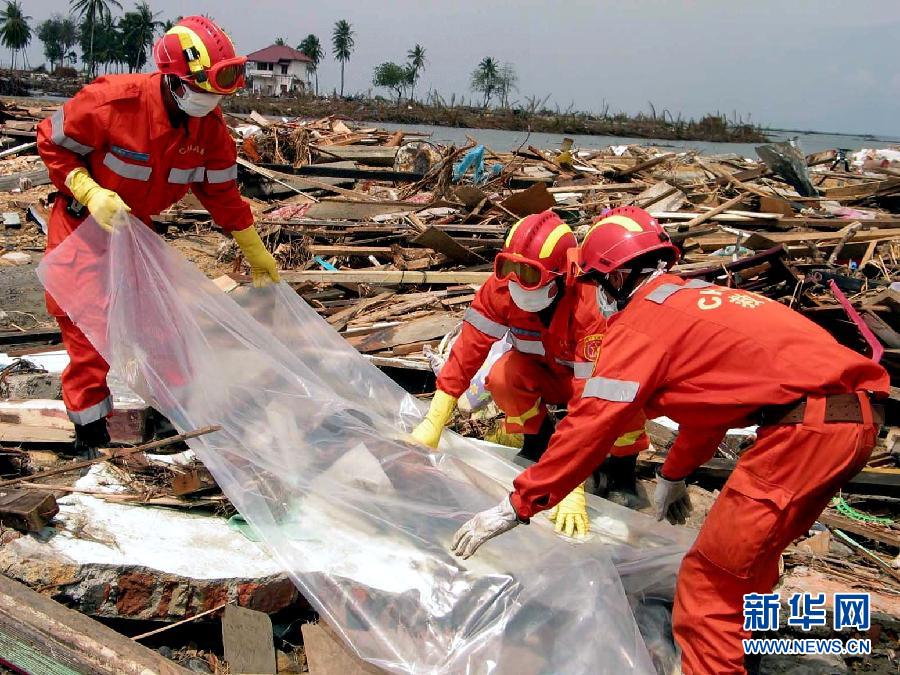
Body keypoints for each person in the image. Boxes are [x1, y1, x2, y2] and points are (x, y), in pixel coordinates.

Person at [449, 206, 889, 674]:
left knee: (708, 582)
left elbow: (591, 421)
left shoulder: (642, 324)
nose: (594, 297)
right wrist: (674, 475)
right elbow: (711, 412)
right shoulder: (694, 302)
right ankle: (746, 648)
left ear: (617, 277)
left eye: (596, 283)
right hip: (854, 424)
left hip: (806, 435)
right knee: (752, 557)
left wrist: (517, 505)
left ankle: (715, 661)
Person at [37, 16, 279, 456]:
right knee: (90, 334)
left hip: (135, 230)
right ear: (175, 81)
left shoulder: (209, 130)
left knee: (164, 324)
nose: (213, 101)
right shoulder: (112, 102)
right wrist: (87, 190)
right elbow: (51, 141)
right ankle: (90, 438)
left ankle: (173, 425)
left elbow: (221, 193)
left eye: (219, 93)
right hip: (83, 228)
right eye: (205, 89)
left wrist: (253, 247)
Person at [411, 210, 648, 537]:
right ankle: (537, 444)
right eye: (508, 267)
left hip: (596, 386)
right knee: (504, 376)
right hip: (547, 376)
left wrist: (570, 485)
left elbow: (590, 398)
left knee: (624, 404)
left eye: (529, 273)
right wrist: (433, 420)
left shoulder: (591, 301)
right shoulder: (501, 291)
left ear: (561, 273)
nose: (515, 282)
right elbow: (466, 353)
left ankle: (623, 472)